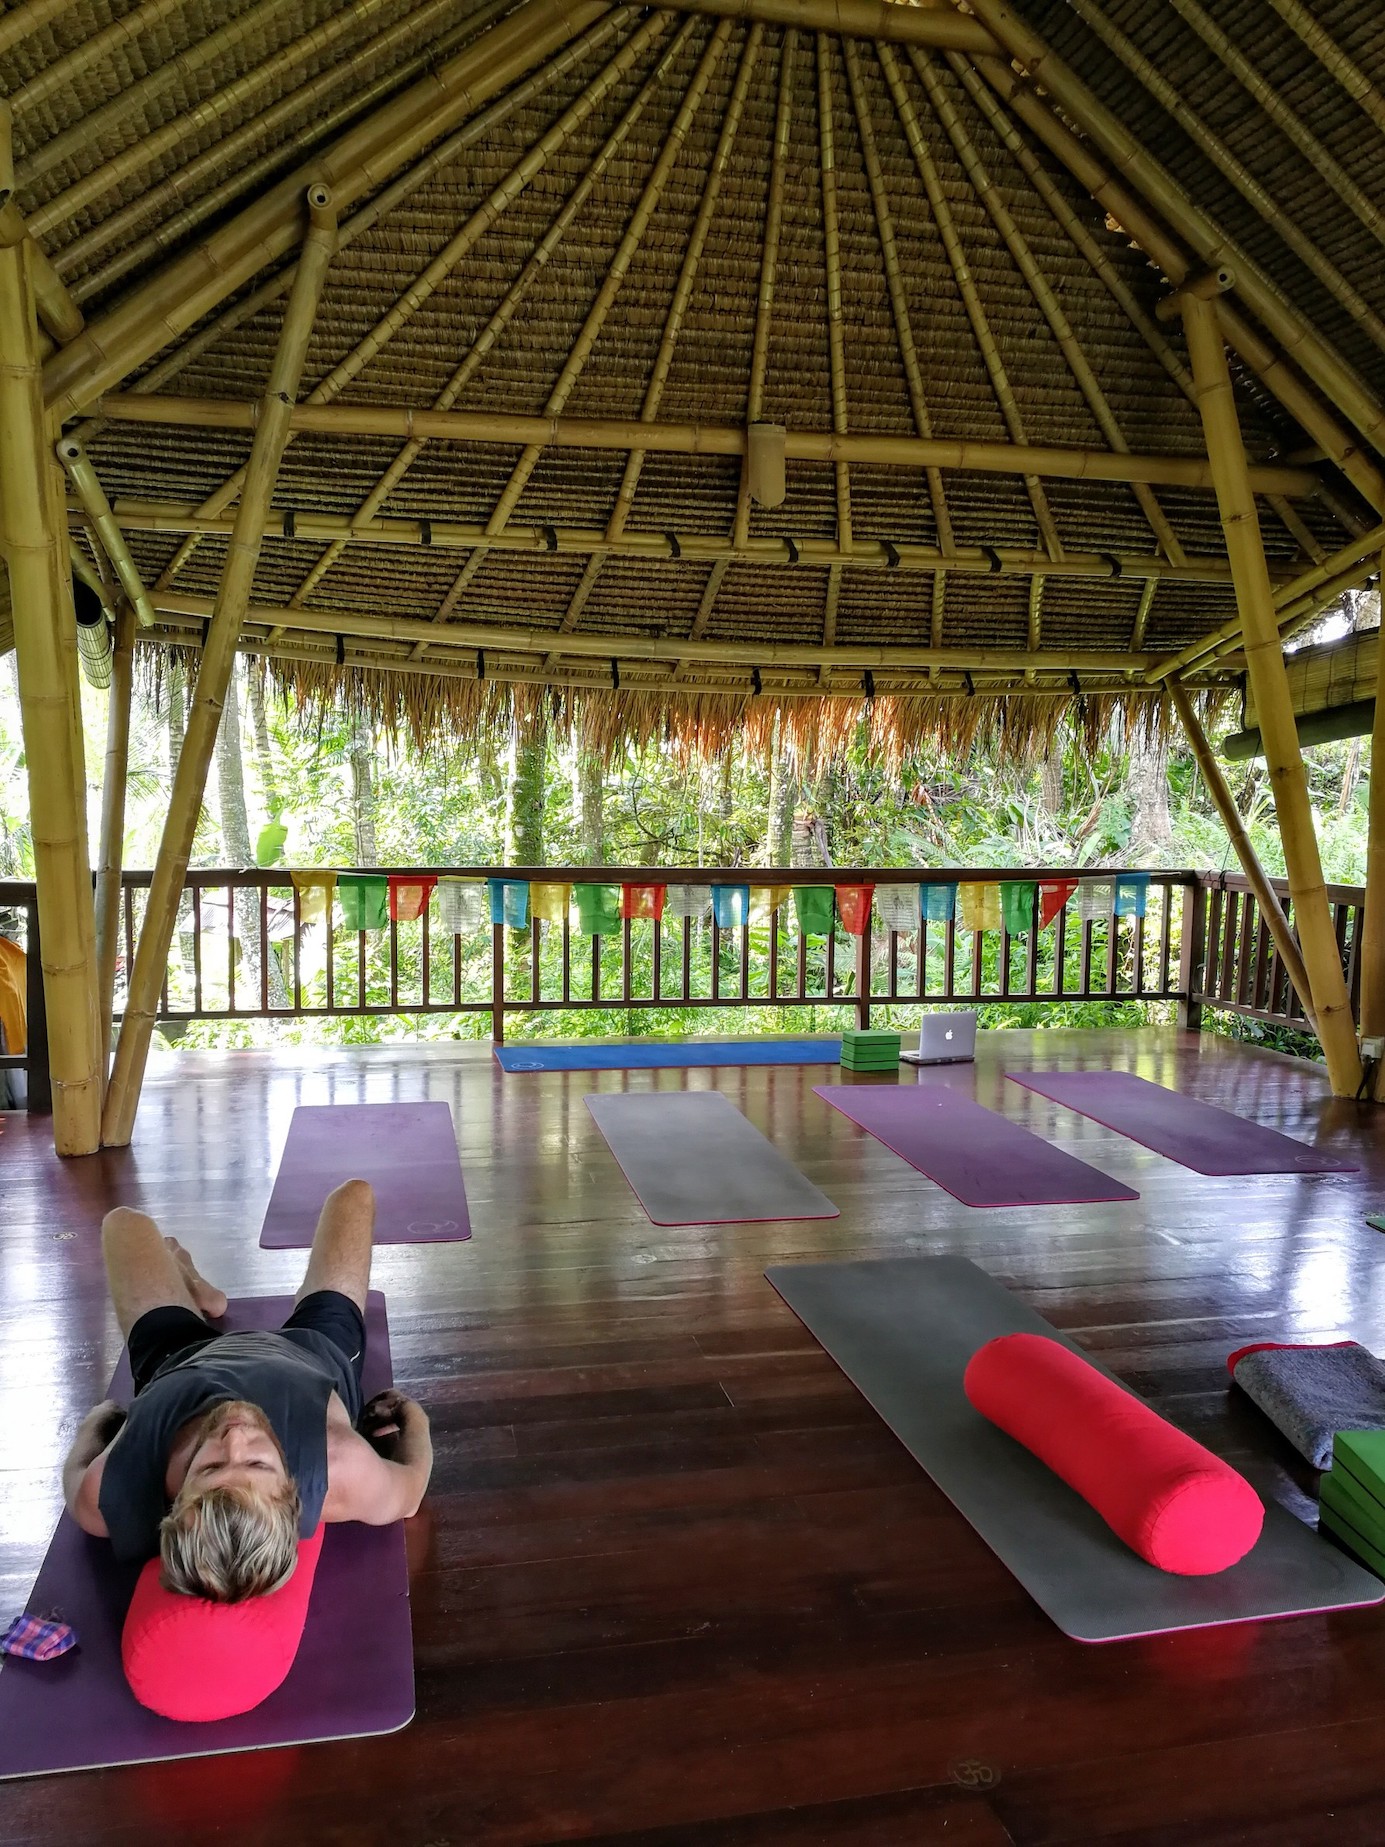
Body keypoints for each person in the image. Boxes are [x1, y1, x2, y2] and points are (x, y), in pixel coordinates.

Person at [61, 1178, 432, 1602]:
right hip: (313, 1349)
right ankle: (221, 1292)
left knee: (122, 1224)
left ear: (176, 1500)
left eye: (210, 1467)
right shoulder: (339, 1466)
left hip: (178, 1358)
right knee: (355, 1195)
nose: (235, 1437)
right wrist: (414, 1418)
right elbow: (410, 1494)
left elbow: (75, 1480)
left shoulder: (112, 1490)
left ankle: (191, 1287)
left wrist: (95, 1423)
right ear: (292, 1490)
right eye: (257, 1463)